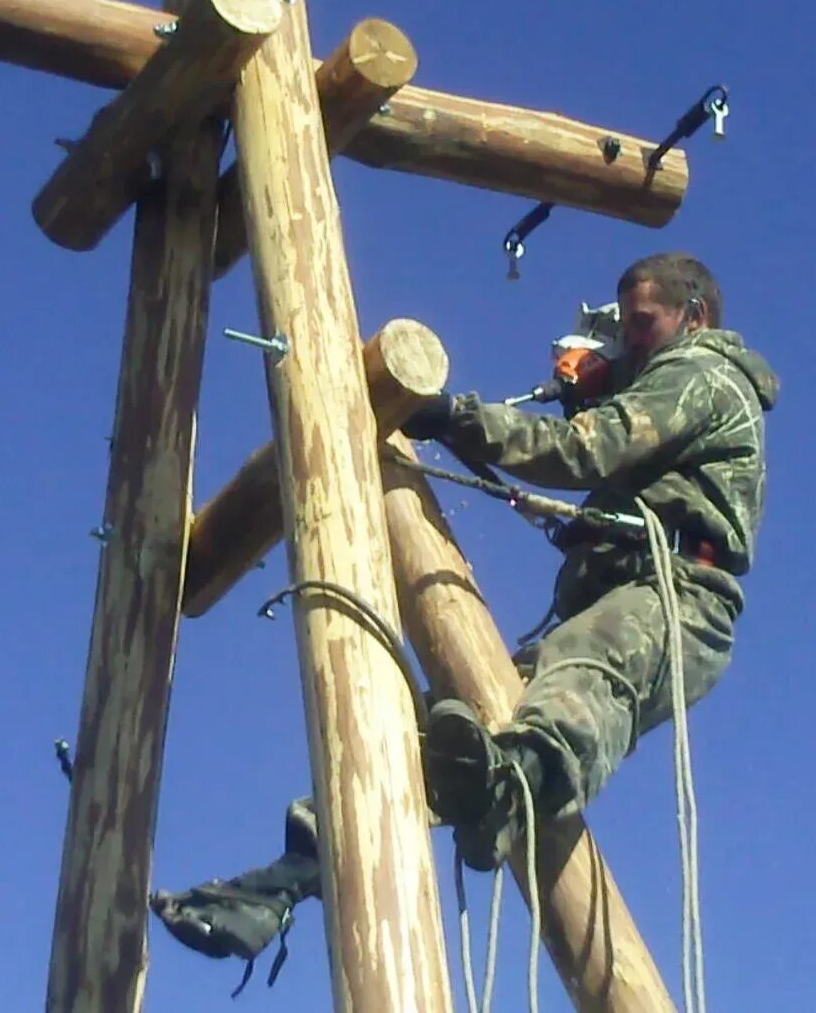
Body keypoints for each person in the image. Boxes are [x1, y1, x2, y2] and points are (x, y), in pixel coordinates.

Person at [152, 252, 779, 981]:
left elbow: (588, 449)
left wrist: (453, 417)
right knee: (447, 740)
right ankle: (294, 871)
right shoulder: (658, 384)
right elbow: (612, 443)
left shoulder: (702, 373)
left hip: (677, 595)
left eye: (643, 325)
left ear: (694, 314)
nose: (632, 343)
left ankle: (513, 784)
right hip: (614, 590)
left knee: (582, 683)